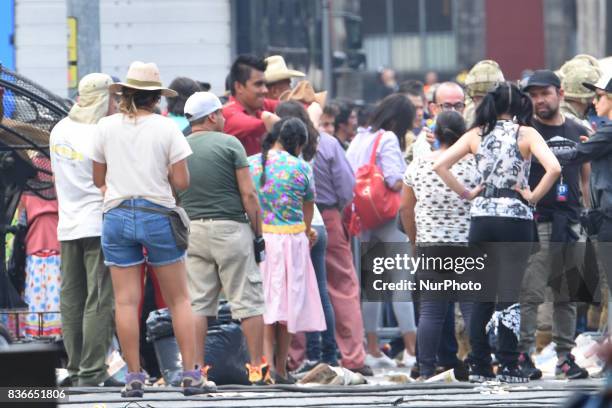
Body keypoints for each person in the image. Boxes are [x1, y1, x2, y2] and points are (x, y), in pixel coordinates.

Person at [90, 61, 214, 397]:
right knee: (179, 300)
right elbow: (183, 181)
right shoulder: (166, 129)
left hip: (115, 215)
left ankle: (133, 378)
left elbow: (98, 179)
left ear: (126, 93)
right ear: (156, 98)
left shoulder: (106, 126)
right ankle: (190, 375)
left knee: (126, 302)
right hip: (158, 213)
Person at [433, 82, 561, 383]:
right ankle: (507, 364)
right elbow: (553, 168)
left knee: (481, 294)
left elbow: (440, 165)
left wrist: (468, 193)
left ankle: (479, 364)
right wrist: (532, 196)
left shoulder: (476, 134)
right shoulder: (525, 134)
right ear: (518, 106)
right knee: (509, 294)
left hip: (482, 218)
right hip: (514, 218)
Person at [178, 91, 269, 385]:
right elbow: (249, 194)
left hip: (193, 230)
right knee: (248, 300)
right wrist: (258, 232)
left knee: (198, 303)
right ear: (213, 116)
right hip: (231, 229)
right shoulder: (231, 144)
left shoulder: (179, 146)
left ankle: (196, 370)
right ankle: (257, 369)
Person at [518, 70, 590, 380]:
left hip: (570, 222)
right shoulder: (524, 131)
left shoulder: (578, 129)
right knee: (531, 294)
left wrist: (587, 213)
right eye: (532, 95)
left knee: (567, 296)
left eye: (544, 93)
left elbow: (585, 179)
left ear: (560, 94)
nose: (538, 100)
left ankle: (564, 357)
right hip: (537, 223)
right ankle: (522, 356)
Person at [49, 73, 119, 387]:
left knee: (72, 298)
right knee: (99, 298)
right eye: (113, 98)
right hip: (98, 222)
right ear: (103, 98)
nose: (116, 104)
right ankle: (93, 371)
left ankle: (75, 367)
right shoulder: (102, 132)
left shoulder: (59, 129)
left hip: (67, 224)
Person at [249, 117, 326, 383]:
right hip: (292, 243)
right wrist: (308, 231)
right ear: (300, 143)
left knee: (266, 306)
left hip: (260, 242)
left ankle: (266, 365)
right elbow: (308, 209)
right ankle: (280, 368)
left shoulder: (252, 162)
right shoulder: (302, 168)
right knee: (287, 309)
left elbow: (247, 201)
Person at [400, 111, 474, 380]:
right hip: (466, 245)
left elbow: (405, 208)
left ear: (437, 135)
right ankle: (480, 366)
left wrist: (414, 241)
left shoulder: (418, 165)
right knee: (471, 308)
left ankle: (427, 370)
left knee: (431, 312)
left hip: (430, 245)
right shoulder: (474, 165)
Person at [346, 94, 417, 368]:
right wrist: (413, 173)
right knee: (400, 283)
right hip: (388, 217)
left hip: (364, 216)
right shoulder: (387, 138)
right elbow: (395, 181)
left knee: (371, 286)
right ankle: (411, 349)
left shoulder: (359, 138)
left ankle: (372, 348)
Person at [556, 73, 612, 325]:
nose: (594, 101)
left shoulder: (609, 131)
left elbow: (575, 154)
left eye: (599, 95)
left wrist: (540, 150)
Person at [223, 55, 280, 156]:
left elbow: (292, 106)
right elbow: (265, 125)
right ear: (239, 87)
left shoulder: (259, 106)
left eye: (265, 84)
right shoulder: (228, 113)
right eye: (258, 84)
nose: (265, 90)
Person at [412, 82, 466, 160]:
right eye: (447, 106)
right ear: (434, 109)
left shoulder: (472, 135)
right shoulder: (426, 139)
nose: (453, 111)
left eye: (458, 106)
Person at [463, 60, 505, 127]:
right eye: (476, 98)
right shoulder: (468, 113)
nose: (478, 103)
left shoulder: (506, 114)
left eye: (481, 98)